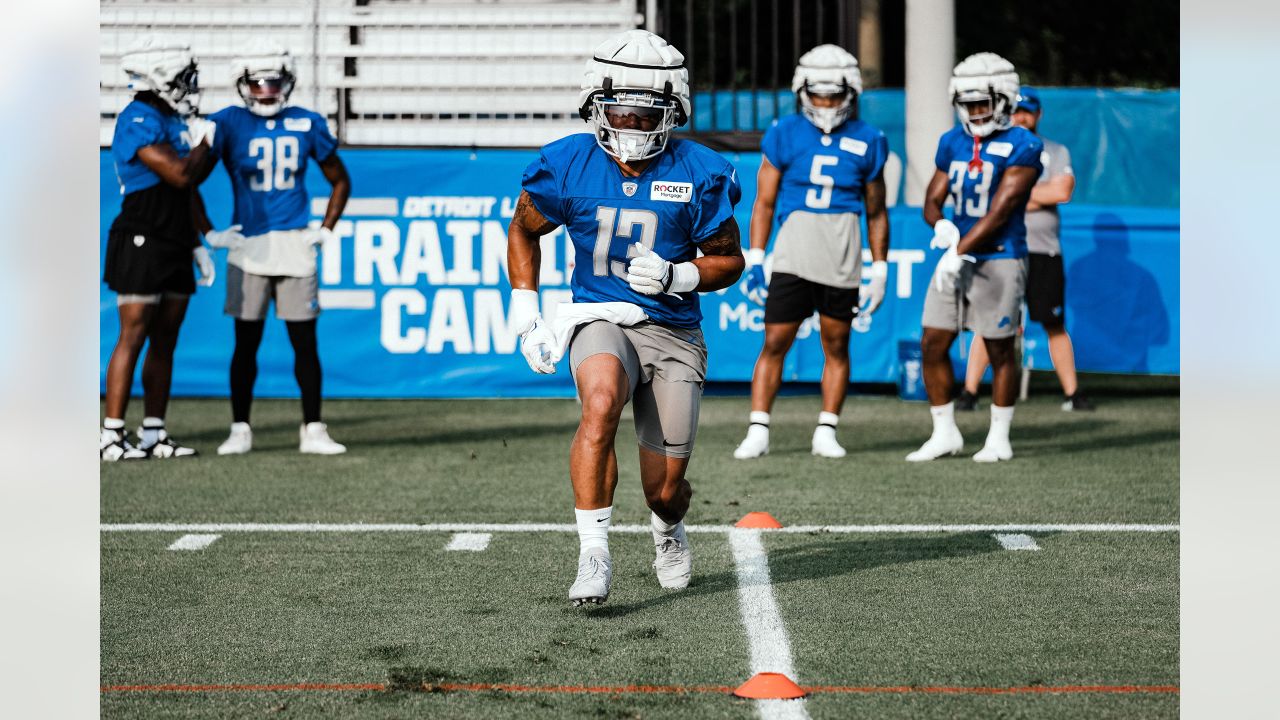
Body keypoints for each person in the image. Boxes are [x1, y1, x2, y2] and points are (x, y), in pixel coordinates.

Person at [505, 30, 743, 606]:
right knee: (601, 403)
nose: (632, 124)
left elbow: (729, 261)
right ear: (596, 104)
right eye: (620, 110)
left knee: (663, 490)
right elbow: (523, 227)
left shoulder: (699, 169)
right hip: (600, 315)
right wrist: (525, 309)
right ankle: (593, 554)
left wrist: (677, 276)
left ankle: (668, 529)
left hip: (672, 327)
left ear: (672, 111)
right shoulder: (567, 161)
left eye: (646, 114)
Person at [732, 44, 890, 460]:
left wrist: (880, 268)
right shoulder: (784, 131)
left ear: (850, 93)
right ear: (803, 91)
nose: (825, 103)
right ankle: (759, 428)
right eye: (818, 94)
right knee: (775, 341)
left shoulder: (870, 139)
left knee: (836, 345)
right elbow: (764, 202)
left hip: (842, 249)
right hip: (795, 249)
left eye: (833, 95)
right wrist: (757, 256)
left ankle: (826, 429)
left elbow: (876, 211)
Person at [196, 42, 351, 455]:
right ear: (242, 84)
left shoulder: (307, 121)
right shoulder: (227, 122)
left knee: (305, 343)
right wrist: (209, 233)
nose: (266, 90)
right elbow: (188, 178)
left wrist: (326, 228)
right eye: (258, 83)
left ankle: (313, 428)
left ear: (288, 81)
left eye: (274, 82)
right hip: (249, 245)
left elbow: (340, 179)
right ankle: (240, 427)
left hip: (295, 244)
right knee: (245, 343)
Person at [907, 52, 1043, 463]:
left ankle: (999, 435)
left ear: (1003, 100)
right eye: (967, 105)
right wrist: (941, 227)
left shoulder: (1023, 144)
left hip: (1000, 256)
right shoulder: (953, 141)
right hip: (957, 255)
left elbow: (1002, 210)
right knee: (932, 341)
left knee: (999, 347)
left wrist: (958, 250)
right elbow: (932, 198)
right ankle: (945, 431)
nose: (975, 112)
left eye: (982, 103)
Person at [101, 38, 218, 461]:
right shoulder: (137, 117)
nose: (189, 85)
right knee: (133, 333)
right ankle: (112, 435)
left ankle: (154, 432)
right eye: (182, 77)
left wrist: (201, 239)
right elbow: (180, 174)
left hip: (173, 239)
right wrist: (205, 144)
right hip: (141, 236)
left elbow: (188, 193)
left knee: (166, 338)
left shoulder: (170, 118)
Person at [955, 87, 1093, 412]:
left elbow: (1062, 192)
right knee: (990, 322)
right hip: (1003, 249)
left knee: (1053, 322)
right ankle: (970, 392)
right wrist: (1024, 196)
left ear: (1039, 114)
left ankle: (1073, 394)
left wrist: (1015, 198)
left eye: (1027, 111)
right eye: (1017, 111)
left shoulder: (1055, 150)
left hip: (1044, 251)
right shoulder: (994, 147)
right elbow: (990, 196)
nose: (1022, 117)